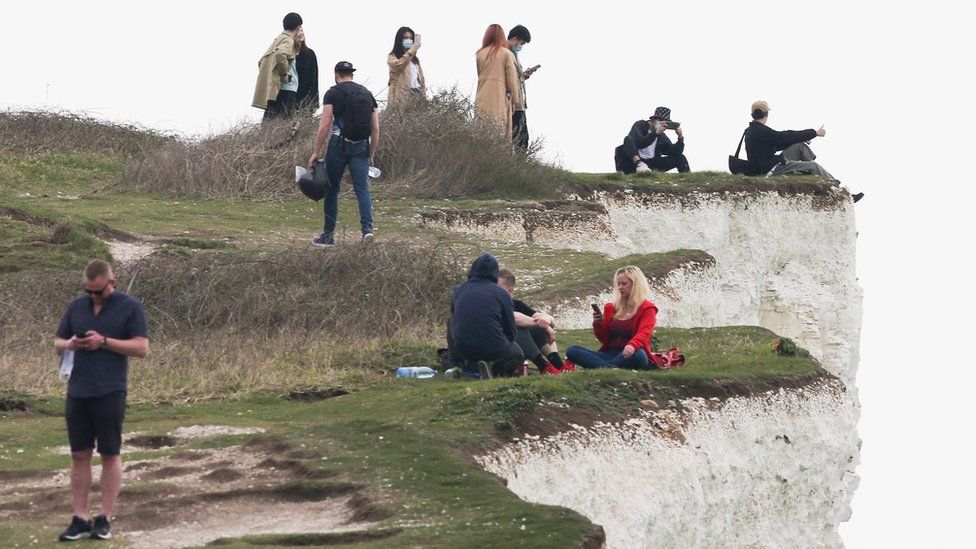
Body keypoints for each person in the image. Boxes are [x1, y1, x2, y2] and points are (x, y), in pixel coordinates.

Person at [53, 260, 149, 541]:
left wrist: (104, 341)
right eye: (88, 291)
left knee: (110, 454)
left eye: (98, 292)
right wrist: (71, 343)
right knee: (78, 454)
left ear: (112, 284)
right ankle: (80, 518)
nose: (93, 296)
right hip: (78, 390)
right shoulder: (76, 307)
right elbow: (57, 344)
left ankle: (104, 518)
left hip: (110, 390)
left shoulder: (130, 306)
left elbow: (142, 348)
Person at [307, 62, 380, 246]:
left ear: (336, 75)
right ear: (352, 75)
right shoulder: (367, 94)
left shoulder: (332, 93)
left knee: (331, 189)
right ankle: (367, 231)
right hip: (362, 147)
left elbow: (324, 124)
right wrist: (371, 153)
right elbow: (376, 128)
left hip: (338, 145)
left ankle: (328, 235)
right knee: (362, 189)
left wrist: (316, 151)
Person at [744, 101, 863, 202]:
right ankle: (839, 192)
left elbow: (779, 142)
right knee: (812, 165)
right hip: (769, 170)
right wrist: (814, 133)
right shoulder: (760, 130)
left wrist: (803, 138)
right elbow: (785, 136)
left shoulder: (752, 130)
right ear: (766, 114)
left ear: (752, 114)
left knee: (798, 145)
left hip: (767, 165)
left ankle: (812, 175)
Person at [566, 266, 658, 370]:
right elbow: (604, 339)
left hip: (632, 354)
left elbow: (644, 332)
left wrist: (632, 345)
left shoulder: (647, 308)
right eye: (618, 284)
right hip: (611, 354)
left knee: (639, 354)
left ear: (636, 285)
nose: (620, 287)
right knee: (572, 350)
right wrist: (598, 324)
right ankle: (612, 369)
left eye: (624, 284)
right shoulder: (611, 307)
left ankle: (602, 367)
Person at [448, 254, 524, 378]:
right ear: (495, 273)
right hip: (494, 348)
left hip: (463, 349)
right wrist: (507, 342)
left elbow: (455, 316)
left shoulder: (459, 290)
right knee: (517, 354)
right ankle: (497, 371)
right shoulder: (501, 293)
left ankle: (457, 366)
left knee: (450, 320)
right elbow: (510, 328)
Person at [497, 268, 571, 375]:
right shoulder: (494, 304)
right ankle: (543, 366)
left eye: (498, 288)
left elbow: (545, 317)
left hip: (516, 347)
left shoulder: (517, 304)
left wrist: (546, 323)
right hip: (502, 346)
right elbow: (513, 318)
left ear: (510, 290)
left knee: (538, 327)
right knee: (520, 328)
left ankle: (557, 364)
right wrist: (545, 325)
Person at [475, 24, 523, 138]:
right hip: (499, 97)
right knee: (499, 133)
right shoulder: (506, 54)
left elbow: (479, 75)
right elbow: (511, 81)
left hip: (481, 97)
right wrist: (515, 101)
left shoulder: (479, 54)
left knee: (481, 132)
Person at [253, 13, 302, 121]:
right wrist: (284, 74)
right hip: (286, 87)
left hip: (274, 87)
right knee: (285, 123)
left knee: (269, 122)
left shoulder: (279, 39)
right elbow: (280, 54)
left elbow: (261, 61)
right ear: (298, 27)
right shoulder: (288, 40)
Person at [614, 107, 689, 174]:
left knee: (680, 158)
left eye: (665, 123)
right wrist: (655, 133)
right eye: (660, 121)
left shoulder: (661, 136)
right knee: (628, 139)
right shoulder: (640, 125)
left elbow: (675, 152)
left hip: (650, 165)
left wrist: (680, 137)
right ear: (653, 120)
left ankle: (688, 180)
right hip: (631, 164)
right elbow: (640, 143)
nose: (662, 124)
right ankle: (639, 164)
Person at [507, 25, 539, 151]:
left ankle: (520, 168)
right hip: (512, 103)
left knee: (523, 139)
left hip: (519, 103)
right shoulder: (505, 54)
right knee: (518, 139)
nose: (521, 47)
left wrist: (523, 75)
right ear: (515, 39)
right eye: (522, 43)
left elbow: (513, 77)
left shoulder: (514, 54)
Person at [387, 27, 425, 107]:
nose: (409, 40)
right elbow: (399, 66)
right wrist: (412, 50)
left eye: (411, 38)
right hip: (401, 97)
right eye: (405, 38)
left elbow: (421, 81)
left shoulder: (415, 61)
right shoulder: (392, 56)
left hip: (416, 95)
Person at [294, 28, 319, 115]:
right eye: (297, 31)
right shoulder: (288, 53)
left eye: (301, 31)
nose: (300, 33)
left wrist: (313, 103)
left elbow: (314, 79)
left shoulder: (310, 54)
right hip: (289, 97)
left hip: (305, 100)